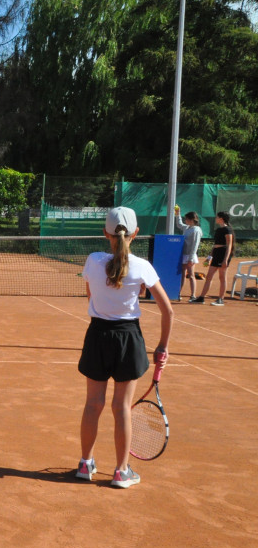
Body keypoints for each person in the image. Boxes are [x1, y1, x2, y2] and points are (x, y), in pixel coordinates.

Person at [76, 206, 173, 489]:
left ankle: (85, 464)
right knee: (122, 408)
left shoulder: (93, 261)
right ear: (136, 233)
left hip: (97, 337)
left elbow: (91, 295)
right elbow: (168, 311)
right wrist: (162, 347)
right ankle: (121, 471)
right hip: (128, 339)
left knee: (93, 404)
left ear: (105, 232)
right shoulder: (143, 267)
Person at [192, 211, 234, 306]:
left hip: (224, 254)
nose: (215, 218)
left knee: (222, 277)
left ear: (221, 218)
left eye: (217, 217)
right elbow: (215, 245)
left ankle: (220, 299)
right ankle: (201, 297)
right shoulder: (219, 230)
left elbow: (229, 245)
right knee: (209, 276)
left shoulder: (228, 230)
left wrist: (225, 260)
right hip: (216, 254)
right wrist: (209, 257)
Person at [173, 206, 202, 301]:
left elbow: (195, 245)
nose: (185, 220)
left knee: (191, 275)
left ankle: (193, 295)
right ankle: (178, 293)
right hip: (184, 254)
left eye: (187, 219)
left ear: (191, 220)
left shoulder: (196, 230)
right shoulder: (187, 227)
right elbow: (179, 224)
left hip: (190, 255)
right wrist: (178, 214)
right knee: (182, 274)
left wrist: (191, 258)